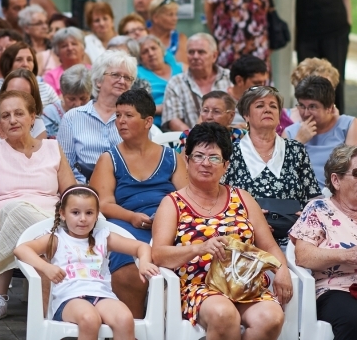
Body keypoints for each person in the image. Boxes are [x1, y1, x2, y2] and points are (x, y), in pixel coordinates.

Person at [151, 122, 291, 339]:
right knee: (223, 314)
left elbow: (270, 246)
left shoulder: (243, 198)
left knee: (271, 317)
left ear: (226, 165)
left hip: (245, 283)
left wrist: (282, 271)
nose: (206, 163)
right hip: (198, 286)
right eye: (198, 156)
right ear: (187, 160)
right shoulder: (173, 203)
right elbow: (159, 254)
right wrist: (200, 248)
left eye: (214, 158)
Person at [0, 90, 77, 319]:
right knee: (20, 210)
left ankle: (59, 310)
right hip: (10, 216)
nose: (12, 120)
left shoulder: (52, 147)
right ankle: (54, 312)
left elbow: (70, 191)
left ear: (32, 117)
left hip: (51, 218)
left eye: (19, 113)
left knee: (96, 220)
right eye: (5, 116)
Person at [88, 89, 186, 317]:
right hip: (125, 223)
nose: (120, 121)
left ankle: (175, 320)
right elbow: (104, 204)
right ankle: (134, 323)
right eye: (118, 116)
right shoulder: (109, 158)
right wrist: (131, 217)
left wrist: (166, 217)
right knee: (125, 262)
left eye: (128, 115)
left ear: (148, 122)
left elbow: (186, 198)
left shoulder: (171, 157)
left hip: (168, 222)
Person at [15, 185, 159, 338]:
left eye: (89, 213)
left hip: (103, 295)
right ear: (63, 214)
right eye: (75, 212)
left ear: (97, 215)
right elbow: (21, 249)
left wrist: (144, 262)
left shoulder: (103, 237)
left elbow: (141, 247)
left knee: (124, 319)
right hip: (69, 299)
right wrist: (46, 267)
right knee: (89, 319)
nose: (83, 218)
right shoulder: (57, 239)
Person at [222, 86, 320, 245]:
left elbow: (313, 197)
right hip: (245, 236)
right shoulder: (230, 152)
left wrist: (307, 217)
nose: (267, 109)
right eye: (260, 105)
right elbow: (218, 198)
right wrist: (246, 219)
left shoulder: (296, 149)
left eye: (273, 106)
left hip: (294, 237)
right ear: (246, 115)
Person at [290, 145, 357, 340]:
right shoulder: (318, 209)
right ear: (336, 180)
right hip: (336, 289)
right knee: (353, 319)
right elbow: (303, 256)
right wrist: (346, 256)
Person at [58, 50, 137, 183]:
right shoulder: (72, 118)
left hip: (126, 187)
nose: (122, 81)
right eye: (115, 75)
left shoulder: (137, 119)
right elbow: (64, 167)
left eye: (127, 77)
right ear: (99, 80)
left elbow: (143, 163)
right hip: (84, 188)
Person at [285, 76, 357, 188]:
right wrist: (297, 143)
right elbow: (283, 173)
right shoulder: (290, 132)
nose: (306, 113)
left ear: (329, 108)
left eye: (312, 107)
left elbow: (351, 170)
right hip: (301, 194)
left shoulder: (348, 125)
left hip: (336, 193)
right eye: (302, 106)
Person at [0, 68, 50, 159]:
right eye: (11, 93)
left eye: (23, 96)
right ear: (2, 93)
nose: (14, 99)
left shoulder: (37, 123)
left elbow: (39, 161)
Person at [163, 33, 232, 132]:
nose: (195, 56)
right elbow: (173, 120)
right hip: (191, 138)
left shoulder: (229, 78)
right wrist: (195, 137)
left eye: (201, 52)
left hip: (229, 137)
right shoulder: (176, 83)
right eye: (191, 52)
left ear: (214, 56)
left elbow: (240, 114)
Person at [0, 42, 59, 106]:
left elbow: (59, 112)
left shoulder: (46, 89)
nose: (25, 64)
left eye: (29, 60)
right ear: (8, 63)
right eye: (19, 59)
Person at [136, 35, 182, 128]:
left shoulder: (180, 68)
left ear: (162, 50)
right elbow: (136, 105)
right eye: (145, 52)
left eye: (154, 48)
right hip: (158, 124)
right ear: (140, 58)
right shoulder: (138, 73)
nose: (151, 53)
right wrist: (160, 109)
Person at [42, 64, 93, 139]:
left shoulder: (97, 113)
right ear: (62, 94)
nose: (78, 104)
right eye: (72, 99)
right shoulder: (50, 114)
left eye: (83, 98)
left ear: (90, 94)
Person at [43, 27, 89, 96]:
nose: (70, 48)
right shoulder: (51, 76)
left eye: (74, 44)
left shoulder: (94, 71)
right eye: (64, 46)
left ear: (83, 48)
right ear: (57, 52)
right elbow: (51, 100)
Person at [226, 54, 269, 126]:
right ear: (239, 80)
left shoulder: (268, 102)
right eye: (257, 83)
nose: (262, 87)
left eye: (264, 82)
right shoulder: (218, 101)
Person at [19, 5, 59, 73]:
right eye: (39, 23)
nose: (45, 27)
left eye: (46, 22)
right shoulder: (21, 49)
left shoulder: (54, 47)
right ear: (27, 28)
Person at [148, 0, 187, 64]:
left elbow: (182, 67)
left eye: (176, 14)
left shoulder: (180, 39)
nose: (175, 18)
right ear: (155, 18)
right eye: (170, 15)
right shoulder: (143, 36)